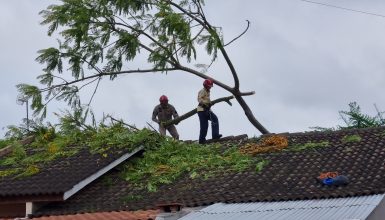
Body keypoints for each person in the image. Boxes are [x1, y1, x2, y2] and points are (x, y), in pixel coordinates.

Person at [197, 79, 222, 144]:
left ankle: (215, 135)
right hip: (202, 110)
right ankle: (201, 140)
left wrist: (210, 103)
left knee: (214, 119)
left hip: (207, 110)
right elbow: (199, 99)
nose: (210, 87)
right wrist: (206, 104)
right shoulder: (202, 91)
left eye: (210, 86)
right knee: (204, 126)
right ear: (205, 85)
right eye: (209, 86)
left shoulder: (208, 92)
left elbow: (207, 100)